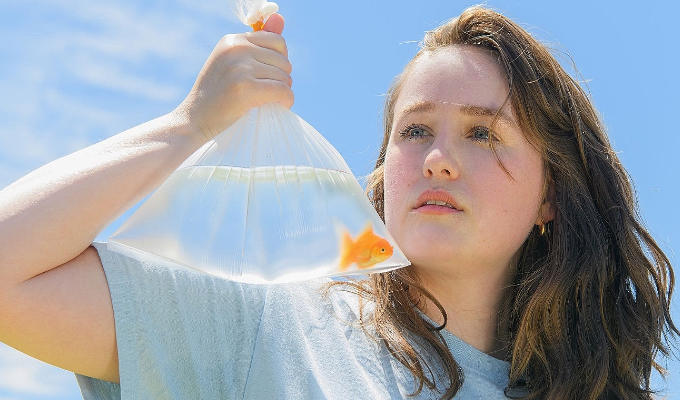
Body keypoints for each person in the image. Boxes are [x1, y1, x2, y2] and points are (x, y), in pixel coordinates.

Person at [0, 5, 675, 400]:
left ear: (549, 197)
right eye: (415, 131)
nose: (438, 157)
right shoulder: (269, 321)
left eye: (481, 132)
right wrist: (191, 125)